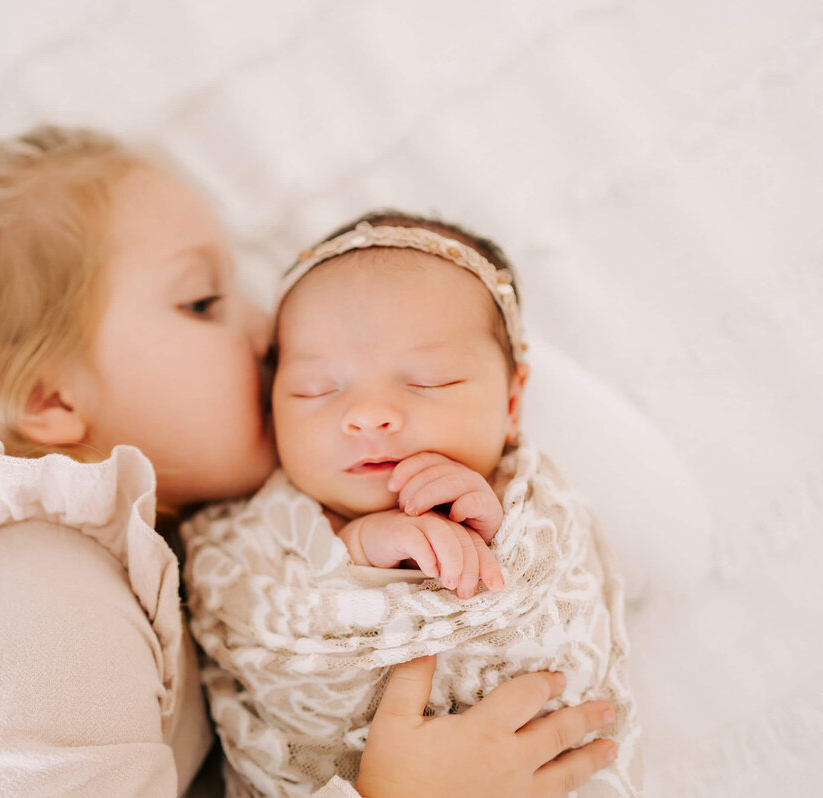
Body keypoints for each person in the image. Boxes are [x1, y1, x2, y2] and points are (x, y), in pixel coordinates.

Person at [0, 127, 618, 796]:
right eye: (203, 302)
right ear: (52, 401)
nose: (272, 325)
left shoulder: (167, 567)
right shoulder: (30, 590)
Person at [182, 211, 640, 796]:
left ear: (511, 400)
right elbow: (251, 606)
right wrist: (360, 549)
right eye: (316, 388)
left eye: (428, 381)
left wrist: (499, 542)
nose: (368, 413)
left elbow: (557, 607)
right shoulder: (253, 533)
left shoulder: (534, 508)